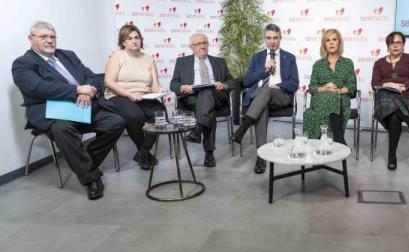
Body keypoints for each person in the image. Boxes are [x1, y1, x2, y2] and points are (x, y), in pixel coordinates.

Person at [12, 21, 125, 200]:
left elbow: (93, 77)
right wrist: (77, 90)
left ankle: (86, 163)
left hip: (83, 106)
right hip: (53, 111)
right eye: (43, 37)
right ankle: (91, 179)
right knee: (62, 129)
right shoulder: (22, 63)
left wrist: (89, 91)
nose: (49, 40)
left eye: (52, 37)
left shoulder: (68, 55)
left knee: (116, 122)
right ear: (30, 39)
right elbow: (37, 88)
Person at [232, 23, 299, 174]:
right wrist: (264, 71)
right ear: (264, 39)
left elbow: (294, 83)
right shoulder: (258, 57)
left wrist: (279, 85)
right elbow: (247, 81)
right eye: (269, 38)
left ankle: (243, 127)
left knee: (266, 93)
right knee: (263, 104)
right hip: (259, 96)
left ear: (280, 38)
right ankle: (261, 156)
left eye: (275, 38)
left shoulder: (289, 57)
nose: (272, 41)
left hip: (280, 96)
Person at [104, 24, 167, 170]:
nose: (134, 41)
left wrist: (161, 90)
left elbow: (154, 85)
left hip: (143, 96)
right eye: (129, 38)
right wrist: (129, 94)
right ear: (123, 42)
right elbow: (109, 81)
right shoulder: (117, 56)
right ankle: (143, 152)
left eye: (136, 37)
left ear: (141, 39)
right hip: (120, 94)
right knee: (135, 116)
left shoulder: (149, 59)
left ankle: (142, 152)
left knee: (161, 114)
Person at [170, 33, 235, 167]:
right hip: (191, 98)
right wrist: (183, 87)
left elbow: (232, 81)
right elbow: (173, 84)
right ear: (191, 47)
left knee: (207, 93)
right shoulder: (182, 62)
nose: (202, 46)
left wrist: (224, 85)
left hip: (216, 96)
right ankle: (209, 153)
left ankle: (197, 130)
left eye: (205, 43)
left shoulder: (219, 61)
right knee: (207, 107)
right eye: (198, 44)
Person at [372, 31, 409, 170]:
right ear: (388, 45)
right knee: (386, 95)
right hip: (386, 99)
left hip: (408, 97)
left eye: (399, 43)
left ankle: (391, 156)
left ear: (403, 45)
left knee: (394, 113)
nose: (396, 46)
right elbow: (375, 83)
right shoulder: (379, 63)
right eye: (392, 43)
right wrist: (390, 85)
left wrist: (403, 87)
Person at [304, 29, 356, 146]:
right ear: (324, 44)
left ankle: (329, 139)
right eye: (328, 40)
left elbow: (352, 87)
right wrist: (324, 88)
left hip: (341, 98)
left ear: (339, 42)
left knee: (334, 96)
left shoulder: (348, 63)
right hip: (320, 99)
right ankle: (339, 138)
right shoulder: (318, 64)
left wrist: (340, 90)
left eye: (334, 39)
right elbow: (312, 87)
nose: (331, 43)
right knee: (330, 96)